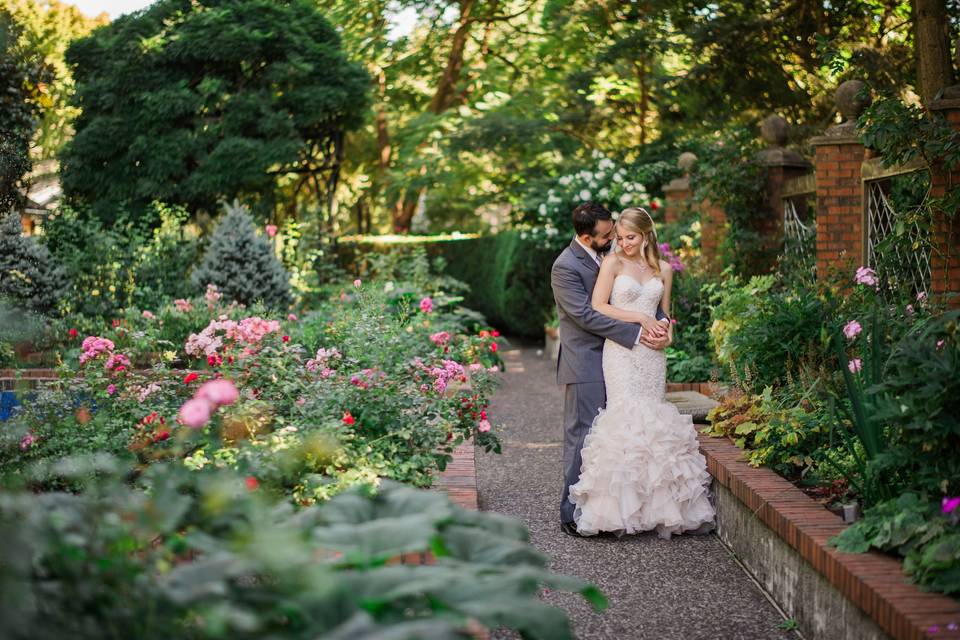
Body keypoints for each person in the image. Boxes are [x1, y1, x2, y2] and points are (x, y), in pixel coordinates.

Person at [568, 206, 715, 537]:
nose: (624, 243)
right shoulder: (613, 263)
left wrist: (667, 336)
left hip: (652, 356)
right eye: (619, 237)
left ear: (647, 234)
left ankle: (659, 510)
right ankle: (617, 512)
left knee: (654, 420)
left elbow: (665, 315)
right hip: (621, 353)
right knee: (625, 418)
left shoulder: (663, 268)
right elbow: (598, 306)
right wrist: (640, 319)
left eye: (630, 237)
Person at [550, 202, 671, 536]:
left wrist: (661, 328)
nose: (615, 241)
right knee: (583, 437)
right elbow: (587, 315)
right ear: (587, 237)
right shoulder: (565, 266)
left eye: (618, 234)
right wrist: (639, 332)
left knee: (613, 436)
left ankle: (612, 510)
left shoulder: (610, 258)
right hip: (586, 361)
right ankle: (571, 514)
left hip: (621, 356)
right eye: (607, 236)